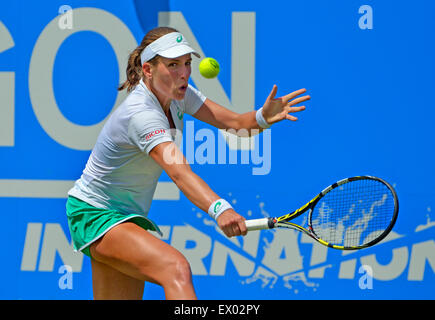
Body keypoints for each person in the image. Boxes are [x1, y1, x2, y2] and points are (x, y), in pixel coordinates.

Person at [66, 26, 310, 300]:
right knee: (176, 269)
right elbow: (180, 173)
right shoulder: (141, 115)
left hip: (125, 216)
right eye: (173, 65)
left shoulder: (178, 95)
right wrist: (221, 209)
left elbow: (235, 124)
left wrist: (262, 117)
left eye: (187, 63)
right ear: (148, 70)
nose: (184, 73)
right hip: (95, 213)